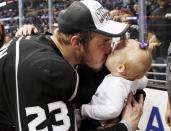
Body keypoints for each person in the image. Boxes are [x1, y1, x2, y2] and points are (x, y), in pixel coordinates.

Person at [3, 1, 144, 131]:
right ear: (76, 42)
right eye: (104, 42)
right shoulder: (46, 69)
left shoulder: (41, 47)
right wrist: (124, 127)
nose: (109, 50)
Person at [79, 38, 158, 130]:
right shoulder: (133, 80)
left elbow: (112, 110)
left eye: (113, 53)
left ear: (120, 67)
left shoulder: (115, 85)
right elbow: (144, 81)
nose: (110, 51)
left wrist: (85, 110)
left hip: (97, 121)